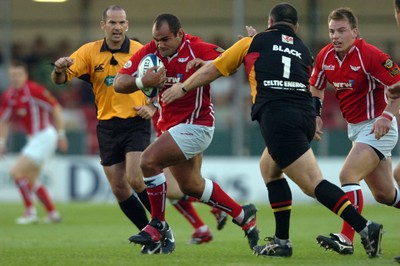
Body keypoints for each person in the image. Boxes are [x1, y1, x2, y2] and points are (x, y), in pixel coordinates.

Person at [162, 3, 385, 258]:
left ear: (270, 22)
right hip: (302, 116)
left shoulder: (254, 42)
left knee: (313, 184)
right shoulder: (303, 49)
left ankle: (365, 227)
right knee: (269, 169)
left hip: (278, 118)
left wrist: (182, 88)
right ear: (296, 27)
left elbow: (216, 68)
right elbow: (289, 69)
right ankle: (282, 241)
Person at [114, 13, 259, 253]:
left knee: (148, 162)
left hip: (196, 125)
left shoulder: (197, 47)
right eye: (156, 39)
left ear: (180, 34)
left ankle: (158, 224)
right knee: (191, 186)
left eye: (165, 39)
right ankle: (243, 216)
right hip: (170, 129)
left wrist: (208, 64)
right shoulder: (152, 52)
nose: (160, 44)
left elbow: (230, 64)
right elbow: (119, 82)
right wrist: (142, 81)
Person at [50, 5, 174, 254]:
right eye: (112, 23)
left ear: (127, 26)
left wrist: (152, 106)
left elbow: (166, 80)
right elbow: (61, 80)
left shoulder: (142, 51)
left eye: (121, 23)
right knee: (119, 189)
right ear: (103, 25)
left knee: (135, 177)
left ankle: (162, 229)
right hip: (106, 125)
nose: (117, 28)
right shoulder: (89, 51)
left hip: (135, 122)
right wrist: (59, 70)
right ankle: (152, 235)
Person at [308, 7, 400, 256]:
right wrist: (316, 114)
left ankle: (346, 239)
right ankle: (369, 234)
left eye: (341, 30)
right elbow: (315, 86)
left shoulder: (370, 55)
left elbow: (397, 86)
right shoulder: (325, 56)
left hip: (379, 127)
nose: (335, 36)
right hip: (356, 130)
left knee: (348, 175)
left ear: (355, 32)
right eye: (331, 31)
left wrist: (387, 115)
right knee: (385, 194)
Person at [136, 104, 228, 244]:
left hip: (176, 136)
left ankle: (218, 206)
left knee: (172, 190)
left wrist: (151, 106)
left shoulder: (162, 86)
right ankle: (201, 228)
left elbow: (164, 100)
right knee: (176, 189)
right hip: (176, 134)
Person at [0, 60, 68, 224]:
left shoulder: (34, 90)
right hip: (33, 139)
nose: (15, 78)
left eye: (18, 75)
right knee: (30, 179)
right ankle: (53, 214)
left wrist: (60, 134)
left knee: (16, 172)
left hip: (45, 136)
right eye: (13, 75)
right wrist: (1, 143)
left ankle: (30, 212)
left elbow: (56, 107)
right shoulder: (9, 95)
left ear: (25, 75)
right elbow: (4, 121)